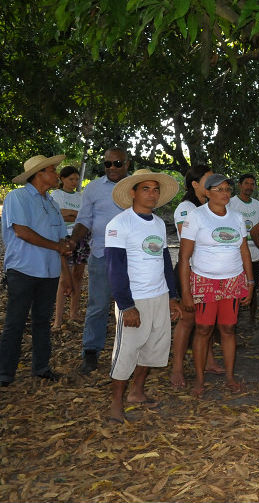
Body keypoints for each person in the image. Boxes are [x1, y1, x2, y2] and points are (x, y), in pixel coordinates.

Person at [105, 169, 182, 422]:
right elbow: (114, 268)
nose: (152, 194)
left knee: (153, 348)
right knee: (126, 352)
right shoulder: (119, 224)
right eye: (146, 188)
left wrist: (172, 297)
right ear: (133, 193)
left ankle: (136, 392)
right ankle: (116, 402)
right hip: (134, 298)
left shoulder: (159, 223)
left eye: (156, 189)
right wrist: (126, 305)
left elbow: (163, 261)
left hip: (159, 296)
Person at [178, 174, 254, 396]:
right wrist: (186, 292)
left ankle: (230, 377)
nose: (225, 193)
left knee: (229, 328)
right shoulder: (196, 217)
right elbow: (184, 258)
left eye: (228, 189)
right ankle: (200, 380)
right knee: (203, 329)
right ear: (207, 192)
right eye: (219, 189)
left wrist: (249, 282)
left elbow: (244, 251)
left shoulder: (237, 218)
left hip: (233, 280)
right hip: (204, 281)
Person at [0, 154, 71, 386]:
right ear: (39, 174)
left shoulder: (51, 203)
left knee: (42, 320)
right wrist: (58, 246)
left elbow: (60, 239)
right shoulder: (17, 197)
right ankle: (5, 372)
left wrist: (65, 268)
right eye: (52, 170)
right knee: (15, 322)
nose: (56, 174)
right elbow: (22, 231)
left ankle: (41, 367)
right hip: (23, 269)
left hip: (48, 272)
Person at [71, 147, 129, 374]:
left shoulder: (137, 187)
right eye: (108, 164)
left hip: (132, 257)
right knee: (98, 305)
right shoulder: (93, 188)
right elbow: (83, 220)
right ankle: (91, 351)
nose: (112, 168)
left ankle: (129, 351)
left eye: (117, 163)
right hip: (101, 255)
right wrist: (74, 241)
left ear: (127, 163)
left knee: (132, 305)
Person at [169, 164, 225, 387]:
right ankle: (177, 369)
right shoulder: (186, 208)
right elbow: (188, 239)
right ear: (194, 184)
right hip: (189, 270)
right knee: (187, 319)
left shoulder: (211, 207)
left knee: (207, 319)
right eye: (208, 181)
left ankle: (208, 360)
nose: (213, 185)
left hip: (209, 272)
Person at [51, 165, 89, 328]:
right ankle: (58, 319)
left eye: (76, 179)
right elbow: (57, 214)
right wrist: (74, 214)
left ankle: (74, 313)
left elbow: (84, 217)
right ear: (62, 179)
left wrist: (70, 213)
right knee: (63, 278)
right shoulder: (56, 195)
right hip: (64, 238)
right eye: (70, 179)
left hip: (82, 238)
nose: (74, 182)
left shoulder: (81, 197)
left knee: (78, 276)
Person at [227, 173, 259, 323]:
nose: (249, 187)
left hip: (255, 254)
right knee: (234, 287)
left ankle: (251, 319)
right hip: (236, 254)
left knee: (253, 285)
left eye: (252, 184)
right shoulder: (230, 203)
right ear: (240, 185)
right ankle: (233, 318)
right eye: (246, 183)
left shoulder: (258, 205)